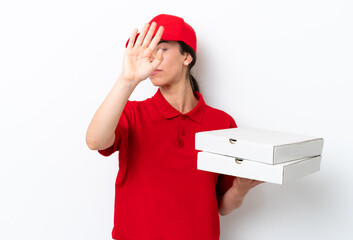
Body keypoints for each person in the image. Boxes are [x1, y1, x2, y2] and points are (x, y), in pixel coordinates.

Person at [86, 14, 262, 240]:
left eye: (161, 48)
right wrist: (127, 80)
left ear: (187, 56)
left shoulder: (222, 124)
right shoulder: (131, 113)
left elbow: (222, 206)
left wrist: (240, 189)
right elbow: (95, 141)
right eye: (146, 49)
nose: (151, 58)